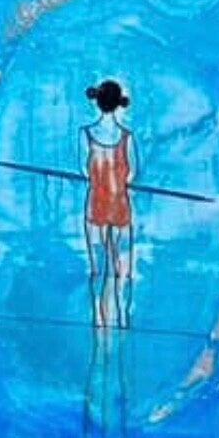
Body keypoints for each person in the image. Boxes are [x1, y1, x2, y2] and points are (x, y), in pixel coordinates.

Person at [82, 79, 139, 329]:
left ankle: (98, 315)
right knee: (122, 269)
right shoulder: (127, 138)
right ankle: (123, 317)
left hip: (95, 204)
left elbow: (84, 170)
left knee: (97, 268)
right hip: (120, 206)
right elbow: (133, 174)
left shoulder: (86, 135)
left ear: (96, 101)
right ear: (119, 104)